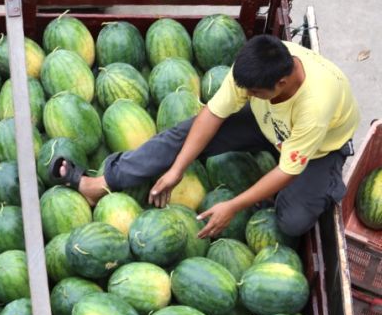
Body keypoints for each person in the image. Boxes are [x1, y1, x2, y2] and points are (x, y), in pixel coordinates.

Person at [51, 34, 359, 240]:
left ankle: (330, 177)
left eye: (253, 92)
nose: (246, 94)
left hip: (317, 150)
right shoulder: (256, 66)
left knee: (292, 221)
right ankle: (102, 182)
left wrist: (233, 206)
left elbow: (288, 169)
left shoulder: (315, 104)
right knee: (181, 136)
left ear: (281, 83)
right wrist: (177, 169)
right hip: (267, 124)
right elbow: (212, 115)